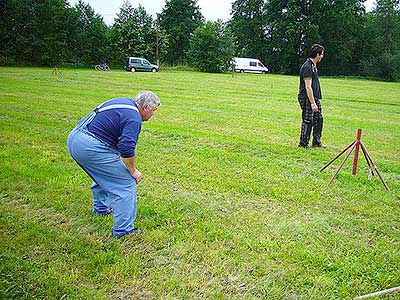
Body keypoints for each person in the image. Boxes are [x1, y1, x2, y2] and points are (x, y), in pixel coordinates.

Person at [67, 91, 161, 238]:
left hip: (75, 138)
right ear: (145, 108)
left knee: (104, 174)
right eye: (153, 111)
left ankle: (101, 209)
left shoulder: (123, 102)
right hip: (91, 147)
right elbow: (126, 147)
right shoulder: (134, 118)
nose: (153, 115)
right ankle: (124, 231)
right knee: (125, 183)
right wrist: (133, 171)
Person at [298, 44, 325, 148]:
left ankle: (316, 142)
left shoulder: (313, 66)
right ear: (317, 54)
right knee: (308, 120)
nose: (322, 57)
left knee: (319, 119)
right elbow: (308, 87)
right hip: (307, 97)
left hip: (314, 97)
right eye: (322, 54)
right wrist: (313, 103)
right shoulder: (307, 67)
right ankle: (303, 143)